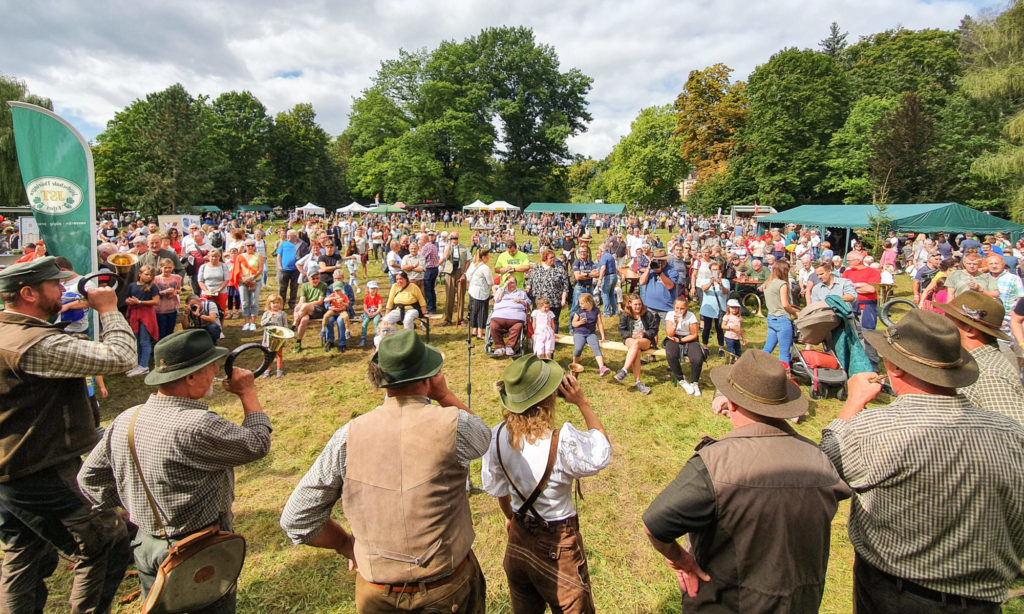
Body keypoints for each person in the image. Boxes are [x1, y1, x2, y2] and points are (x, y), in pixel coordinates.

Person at [821, 309, 1024, 612]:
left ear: (897, 368)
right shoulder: (1014, 435)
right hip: (982, 598)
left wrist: (853, 404)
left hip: (895, 593)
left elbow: (818, 472)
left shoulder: (872, 429)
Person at [280, 330, 491, 614]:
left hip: (376, 594)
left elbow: (296, 518)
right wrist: (443, 394)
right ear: (429, 377)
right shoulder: (456, 425)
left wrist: (346, 545)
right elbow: (483, 437)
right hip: (446, 588)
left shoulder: (347, 437)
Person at [78, 329, 272, 614]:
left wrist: (135, 508)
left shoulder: (126, 418)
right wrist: (248, 392)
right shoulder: (197, 424)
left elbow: (88, 479)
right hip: (201, 545)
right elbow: (257, 444)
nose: (216, 372)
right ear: (191, 377)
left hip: (146, 544)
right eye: (210, 367)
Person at [643, 350, 851, 613]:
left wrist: (681, 560)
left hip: (727, 604)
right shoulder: (820, 460)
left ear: (731, 403)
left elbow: (655, 524)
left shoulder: (714, 463)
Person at [0, 257, 136, 614]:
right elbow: (121, 358)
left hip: (10, 467)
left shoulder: (6, 332)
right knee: (106, 539)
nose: (62, 290)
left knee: (23, 552)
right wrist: (108, 309)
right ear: (28, 293)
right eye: (54, 285)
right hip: (40, 465)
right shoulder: (33, 344)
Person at [481, 355, 610, 614]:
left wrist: (511, 518)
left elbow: (499, 490)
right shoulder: (561, 442)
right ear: (548, 399)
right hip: (558, 549)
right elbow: (601, 450)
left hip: (518, 542)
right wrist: (582, 403)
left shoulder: (495, 436)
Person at [936, 291, 1024, 424]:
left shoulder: (989, 375)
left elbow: (1014, 430)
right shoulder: (977, 362)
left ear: (970, 330)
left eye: (948, 319)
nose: (941, 324)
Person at [614, 294, 659, 394]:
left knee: (636, 344)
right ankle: (638, 382)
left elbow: (654, 330)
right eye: (636, 305)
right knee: (636, 349)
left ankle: (624, 370)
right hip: (630, 339)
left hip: (645, 340)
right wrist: (632, 335)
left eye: (640, 304)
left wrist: (645, 334)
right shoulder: (625, 314)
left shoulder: (647, 314)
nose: (638, 307)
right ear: (630, 304)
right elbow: (621, 330)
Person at [125, 264, 161, 377]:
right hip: (135, 314)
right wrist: (129, 301)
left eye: (151, 275)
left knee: (144, 341)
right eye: (146, 274)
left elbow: (155, 302)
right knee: (136, 340)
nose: (148, 277)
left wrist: (139, 302)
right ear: (139, 274)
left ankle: (144, 365)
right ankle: (138, 364)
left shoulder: (153, 287)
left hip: (147, 315)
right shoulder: (132, 285)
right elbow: (127, 298)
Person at [664, 296, 704, 397]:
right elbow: (669, 333)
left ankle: (694, 382)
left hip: (689, 337)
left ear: (686, 308)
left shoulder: (691, 316)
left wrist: (681, 340)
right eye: (677, 308)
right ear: (674, 307)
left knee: (697, 358)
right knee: (671, 354)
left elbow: (694, 334)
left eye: (682, 308)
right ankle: (681, 379)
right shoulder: (670, 315)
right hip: (674, 336)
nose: (679, 311)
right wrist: (675, 323)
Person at [528, 248, 571, 333]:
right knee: (538, 320)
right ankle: (537, 338)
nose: (553, 259)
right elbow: (530, 281)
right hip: (539, 301)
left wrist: (563, 299)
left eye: (554, 257)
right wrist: (528, 288)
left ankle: (553, 338)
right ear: (545, 259)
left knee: (553, 320)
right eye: (550, 258)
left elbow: (565, 286)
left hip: (554, 301)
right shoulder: (537, 269)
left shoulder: (560, 270)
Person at [570, 293, 610, 377]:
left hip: (590, 333)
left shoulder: (596, 311)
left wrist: (603, 336)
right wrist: (580, 322)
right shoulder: (579, 311)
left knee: (596, 347)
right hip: (579, 333)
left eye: (582, 303)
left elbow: (600, 324)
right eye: (580, 303)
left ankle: (602, 368)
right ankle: (574, 366)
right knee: (578, 348)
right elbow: (573, 324)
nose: (580, 305)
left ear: (589, 302)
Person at [491, 276, 531, 356]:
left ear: (516, 284)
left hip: (516, 317)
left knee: (518, 326)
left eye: (513, 282)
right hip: (499, 315)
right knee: (493, 326)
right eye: (509, 282)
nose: (511, 284)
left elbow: (528, 303)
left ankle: (510, 346)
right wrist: (504, 287)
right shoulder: (501, 291)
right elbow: (497, 299)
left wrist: (520, 301)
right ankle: (499, 347)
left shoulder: (521, 293)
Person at [640, 248, 678, 330]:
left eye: (661, 261)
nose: (659, 263)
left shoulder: (672, 271)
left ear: (665, 260)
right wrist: (648, 269)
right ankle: (653, 343)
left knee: (670, 331)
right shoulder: (651, 269)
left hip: (666, 307)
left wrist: (660, 272)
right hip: (650, 306)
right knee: (650, 331)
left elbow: (670, 286)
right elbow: (642, 282)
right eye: (658, 261)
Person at [842, 252, 881, 330]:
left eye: (849, 260)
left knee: (867, 332)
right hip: (850, 307)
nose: (847, 262)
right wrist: (863, 285)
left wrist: (854, 286)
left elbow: (871, 289)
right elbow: (843, 289)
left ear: (858, 261)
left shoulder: (872, 272)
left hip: (866, 307)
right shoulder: (847, 273)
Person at [698, 261, 730, 357]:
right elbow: (704, 289)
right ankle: (705, 346)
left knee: (719, 329)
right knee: (706, 328)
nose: (715, 271)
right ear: (710, 271)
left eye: (717, 269)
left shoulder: (725, 281)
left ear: (720, 271)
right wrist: (710, 282)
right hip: (708, 310)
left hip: (720, 309)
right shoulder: (705, 280)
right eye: (713, 270)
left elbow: (726, 291)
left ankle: (721, 348)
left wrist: (720, 284)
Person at [292, 271, 329, 352]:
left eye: (317, 278)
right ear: (309, 279)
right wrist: (298, 307)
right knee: (304, 319)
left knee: (305, 306)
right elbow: (302, 300)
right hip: (305, 311)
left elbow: (320, 302)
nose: (315, 280)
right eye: (313, 279)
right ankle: (298, 342)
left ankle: (294, 323)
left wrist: (305, 305)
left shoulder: (323, 285)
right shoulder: (305, 286)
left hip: (318, 310)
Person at [233, 239, 265, 332]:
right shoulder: (240, 257)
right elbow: (237, 270)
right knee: (245, 302)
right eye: (248, 245)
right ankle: (246, 322)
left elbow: (260, 269)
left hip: (255, 281)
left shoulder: (258, 256)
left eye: (252, 245)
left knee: (254, 302)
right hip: (243, 281)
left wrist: (251, 278)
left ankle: (253, 322)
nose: (250, 247)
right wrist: (243, 279)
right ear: (245, 247)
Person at [441, 231, 470, 326]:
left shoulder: (464, 247)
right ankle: (448, 319)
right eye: (452, 238)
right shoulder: (447, 246)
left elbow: (468, 261)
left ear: (459, 238)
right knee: (449, 296)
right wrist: (449, 245)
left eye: (456, 238)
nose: (454, 240)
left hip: (460, 272)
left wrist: (464, 274)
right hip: (450, 273)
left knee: (461, 296)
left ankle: (460, 319)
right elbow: (446, 257)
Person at [465, 248, 493, 340]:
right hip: (481, 293)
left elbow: (468, 277)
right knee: (482, 312)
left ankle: (474, 330)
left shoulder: (473, 265)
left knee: (473, 311)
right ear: (484, 257)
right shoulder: (485, 268)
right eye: (488, 256)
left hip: (472, 290)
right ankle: (480, 333)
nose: (489, 257)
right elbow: (490, 282)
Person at [154, 257, 183, 340]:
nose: (167, 270)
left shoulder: (177, 277)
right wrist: (165, 292)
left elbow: (179, 290)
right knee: (161, 331)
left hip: (172, 308)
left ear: (173, 267)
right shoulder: (156, 279)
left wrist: (175, 292)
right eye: (165, 267)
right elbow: (154, 294)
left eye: (169, 267)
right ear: (160, 268)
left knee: (170, 331)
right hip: (159, 309)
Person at [260, 294, 288, 378]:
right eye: (273, 303)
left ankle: (279, 370)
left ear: (280, 304)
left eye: (277, 303)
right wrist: (269, 317)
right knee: (268, 353)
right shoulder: (266, 313)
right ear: (269, 304)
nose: (275, 304)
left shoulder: (282, 313)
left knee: (279, 353)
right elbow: (262, 323)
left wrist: (284, 335)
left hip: (279, 337)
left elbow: (285, 325)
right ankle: (267, 369)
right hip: (268, 338)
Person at [198, 248, 230, 322]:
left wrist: (219, 289)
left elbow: (226, 280)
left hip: (220, 292)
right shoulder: (203, 267)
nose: (214, 258)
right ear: (208, 257)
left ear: (219, 257)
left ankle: (220, 327)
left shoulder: (223, 266)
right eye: (212, 256)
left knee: (220, 311)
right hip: (207, 292)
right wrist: (206, 291)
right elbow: (200, 281)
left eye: (216, 256)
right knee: (206, 310)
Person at [323, 281, 352, 352]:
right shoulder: (332, 294)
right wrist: (330, 305)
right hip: (333, 311)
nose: (337, 292)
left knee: (340, 321)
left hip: (342, 311)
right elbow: (325, 300)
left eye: (339, 290)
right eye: (336, 290)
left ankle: (342, 343)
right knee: (329, 320)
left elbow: (349, 304)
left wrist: (343, 304)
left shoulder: (344, 295)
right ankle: (329, 341)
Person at [276, 230, 301, 309]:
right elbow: (279, 255)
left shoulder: (299, 244)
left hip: (295, 269)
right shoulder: (283, 244)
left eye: (289, 235)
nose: (287, 237)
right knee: (283, 287)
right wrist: (279, 266)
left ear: (294, 236)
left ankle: (292, 303)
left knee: (294, 287)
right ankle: (282, 303)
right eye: (287, 235)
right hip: (284, 269)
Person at [359, 280, 383, 347]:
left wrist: (375, 313)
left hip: (376, 313)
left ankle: (376, 337)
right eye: (372, 288)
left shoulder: (379, 297)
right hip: (368, 313)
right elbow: (365, 307)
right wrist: (368, 313)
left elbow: (380, 308)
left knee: (376, 322)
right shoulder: (366, 297)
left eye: (375, 288)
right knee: (365, 322)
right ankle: (363, 337)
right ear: (368, 289)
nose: (373, 290)